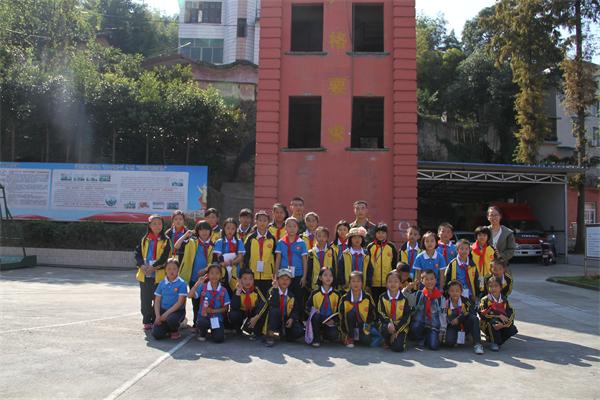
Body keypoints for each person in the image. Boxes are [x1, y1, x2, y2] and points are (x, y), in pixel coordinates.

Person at [135, 214, 171, 330]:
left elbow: (165, 257)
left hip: (158, 276)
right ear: (149, 225)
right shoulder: (145, 239)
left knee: (158, 300)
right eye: (154, 224)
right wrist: (142, 265)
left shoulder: (166, 240)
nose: (157, 226)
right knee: (145, 300)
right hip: (145, 274)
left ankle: (157, 319)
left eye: (159, 224)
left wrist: (153, 267)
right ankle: (147, 320)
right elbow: (138, 254)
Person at [176, 220, 213, 329]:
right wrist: (185, 235)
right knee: (195, 302)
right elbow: (177, 246)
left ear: (210, 231)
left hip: (207, 278)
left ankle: (205, 324)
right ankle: (196, 324)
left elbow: (214, 261)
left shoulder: (213, 245)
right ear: (197, 231)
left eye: (206, 229)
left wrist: (205, 270)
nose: (204, 232)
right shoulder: (191, 242)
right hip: (193, 277)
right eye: (201, 230)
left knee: (206, 301)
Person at [403, 269, 445, 350]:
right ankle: (421, 338)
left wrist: (442, 331)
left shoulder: (440, 298)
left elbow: (443, 315)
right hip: (420, 324)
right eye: (426, 279)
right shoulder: (418, 294)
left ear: (436, 280)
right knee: (415, 326)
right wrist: (407, 289)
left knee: (433, 346)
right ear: (422, 281)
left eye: (432, 279)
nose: (429, 282)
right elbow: (404, 298)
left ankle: (428, 337)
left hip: (433, 326)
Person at [189, 263, 231, 342]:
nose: (214, 276)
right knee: (202, 322)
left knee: (218, 339)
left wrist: (213, 311)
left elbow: (225, 308)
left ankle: (215, 331)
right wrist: (197, 284)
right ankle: (202, 332)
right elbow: (190, 295)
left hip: (216, 318)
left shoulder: (223, 290)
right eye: (212, 273)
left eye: (217, 273)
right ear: (208, 275)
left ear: (220, 276)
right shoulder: (203, 286)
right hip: (204, 317)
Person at [274, 217, 309, 311]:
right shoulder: (281, 242)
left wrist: (304, 277)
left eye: (294, 226)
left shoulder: (301, 243)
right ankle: (284, 316)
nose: (292, 228)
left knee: (298, 298)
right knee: (285, 297)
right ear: (285, 228)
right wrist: (276, 275)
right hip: (284, 275)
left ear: (298, 228)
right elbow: (278, 259)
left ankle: (297, 317)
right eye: (289, 226)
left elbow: (304, 261)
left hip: (298, 275)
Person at [264, 269, 304, 347]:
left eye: (287, 279)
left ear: (290, 282)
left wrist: (292, 318)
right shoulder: (271, 291)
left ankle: (283, 334)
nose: (285, 281)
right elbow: (274, 303)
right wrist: (275, 289)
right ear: (277, 280)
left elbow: (295, 309)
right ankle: (270, 335)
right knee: (275, 310)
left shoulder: (291, 295)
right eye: (282, 278)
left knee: (299, 331)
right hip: (272, 320)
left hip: (284, 320)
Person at [442, 280, 484, 354]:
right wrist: (450, 321)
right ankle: (459, 338)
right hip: (453, 326)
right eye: (452, 291)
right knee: (449, 342)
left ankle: (477, 344)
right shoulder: (446, 303)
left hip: (465, 324)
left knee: (474, 319)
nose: (455, 293)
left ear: (461, 292)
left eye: (457, 291)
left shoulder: (466, 301)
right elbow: (443, 316)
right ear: (448, 292)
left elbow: (472, 312)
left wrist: (459, 319)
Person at [479, 276, 518, 351]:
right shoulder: (485, 300)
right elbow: (483, 313)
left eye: (496, 286)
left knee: (512, 329)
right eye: (491, 286)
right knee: (493, 322)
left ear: (501, 287)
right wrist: (499, 315)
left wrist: (503, 325)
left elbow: (511, 313)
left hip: (501, 323)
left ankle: (497, 341)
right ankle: (494, 343)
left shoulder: (504, 300)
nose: (493, 288)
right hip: (487, 324)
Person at [152, 258, 188, 340]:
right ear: (165, 270)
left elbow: (179, 303)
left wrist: (165, 315)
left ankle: (175, 330)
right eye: (169, 269)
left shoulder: (182, 284)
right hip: (163, 310)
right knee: (156, 334)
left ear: (178, 269)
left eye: (174, 268)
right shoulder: (162, 283)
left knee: (171, 319)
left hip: (177, 312)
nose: (171, 271)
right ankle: (168, 328)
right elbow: (157, 300)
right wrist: (158, 316)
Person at [339, 271, 377, 348]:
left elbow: (372, 312)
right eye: (353, 281)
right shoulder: (344, 298)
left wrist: (369, 324)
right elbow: (341, 316)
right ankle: (350, 337)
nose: (356, 284)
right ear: (349, 283)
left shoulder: (367, 297)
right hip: (349, 326)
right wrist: (344, 332)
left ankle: (357, 336)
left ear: (362, 283)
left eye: (358, 281)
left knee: (366, 341)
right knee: (350, 313)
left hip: (362, 326)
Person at [243, 210, 277, 294]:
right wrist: (246, 271)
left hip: (268, 275)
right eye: (260, 220)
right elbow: (246, 256)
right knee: (254, 296)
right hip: (253, 274)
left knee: (267, 296)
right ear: (256, 221)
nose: (262, 223)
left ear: (268, 222)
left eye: (265, 220)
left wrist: (274, 272)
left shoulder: (272, 238)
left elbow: (276, 257)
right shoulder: (250, 238)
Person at [305, 268, 341, 347]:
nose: (328, 278)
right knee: (316, 316)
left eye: (331, 275)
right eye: (325, 275)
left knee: (333, 335)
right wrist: (313, 310)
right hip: (317, 320)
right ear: (320, 278)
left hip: (329, 321)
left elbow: (340, 311)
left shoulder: (337, 294)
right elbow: (307, 307)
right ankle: (316, 339)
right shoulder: (315, 293)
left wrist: (334, 321)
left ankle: (324, 335)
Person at [229, 269, 268, 340]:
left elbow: (264, 303)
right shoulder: (237, 289)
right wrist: (238, 292)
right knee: (233, 314)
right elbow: (234, 307)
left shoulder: (256, 289)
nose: (248, 281)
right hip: (242, 313)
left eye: (250, 279)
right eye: (245, 279)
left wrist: (256, 317)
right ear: (240, 280)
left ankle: (254, 330)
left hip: (252, 313)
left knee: (262, 312)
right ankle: (238, 329)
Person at [377, 271, 411, 352]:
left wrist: (396, 331)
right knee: (385, 328)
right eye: (390, 281)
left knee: (398, 348)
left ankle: (394, 340)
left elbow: (406, 317)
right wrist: (389, 322)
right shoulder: (382, 297)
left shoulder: (404, 299)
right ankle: (387, 339)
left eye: (396, 281)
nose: (393, 284)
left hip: (400, 325)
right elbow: (380, 312)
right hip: (387, 324)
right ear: (386, 284)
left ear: (400, 284)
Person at [213, 218, 245, 293]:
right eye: (228, 228)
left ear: (236, 230)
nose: (230, 231)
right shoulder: (219, 242)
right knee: (223, 291)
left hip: (235, 270)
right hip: (222, 270)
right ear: (224, 229)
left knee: (235, 291)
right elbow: (219, 257)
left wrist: (231, 262)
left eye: (233, 228)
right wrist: (223, 263)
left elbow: (240, 257)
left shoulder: (239, 242)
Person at [367, 223, 398, 301]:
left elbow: (394, 264)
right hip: (374, 283)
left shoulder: (391, 247)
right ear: (375, 234)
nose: (380, 235)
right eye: (378, 233)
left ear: (386, 234)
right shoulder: (370, 247)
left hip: (388, 283)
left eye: (383, 233)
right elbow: (367, 265)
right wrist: (368, 281)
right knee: (375, 302)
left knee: (386, 302)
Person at [443, 239, 480, 303]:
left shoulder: (472, 265)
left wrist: (477, 294)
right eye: (462, 249)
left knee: (470, 308)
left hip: (470, 294)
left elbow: (476, 280)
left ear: (469, 250)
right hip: (456, 294)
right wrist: (447, 294)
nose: (464, 251)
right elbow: (447, 280)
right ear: (457, 250)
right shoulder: (452, 264)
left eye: (466, 249)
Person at [337, 227, 373, 291]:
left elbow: (370, 270)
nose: (357, 239)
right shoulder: (345, 254)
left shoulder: (366, 254)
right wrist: (342, 283)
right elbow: (340, 269)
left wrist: (368, 284)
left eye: (359, 237)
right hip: (347, 287)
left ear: (362, 239)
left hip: (363, 287)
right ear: (350, 239)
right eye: (354, 237)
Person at [471, 226, 495, 291]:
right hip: (475, 276)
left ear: (488, 237)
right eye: (480, 235)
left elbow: (495, 263)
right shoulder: (471, 249)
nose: (482, 237)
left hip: (489, 276)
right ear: (476, 236)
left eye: (484, 235)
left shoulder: (492, 249)